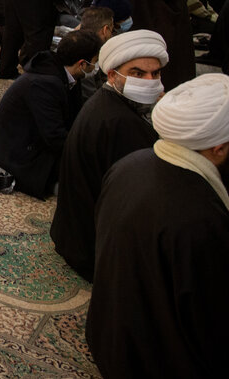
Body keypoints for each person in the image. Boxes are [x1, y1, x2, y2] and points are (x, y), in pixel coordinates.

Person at [86, 74, 229, 378]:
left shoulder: (132, 162)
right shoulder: (201, 218)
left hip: (108, 335)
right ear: (218, 148)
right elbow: (209, 322)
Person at [50, 29, 167, 282]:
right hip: (95, 252)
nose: (149, 80)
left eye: (155, 73)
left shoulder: (106, 102)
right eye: (138, 73)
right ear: (113, 74)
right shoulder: (121, 124)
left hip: (72, 235)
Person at [0, 30, 102, 198]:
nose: (96, 67)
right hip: (17, 156)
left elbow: (72, 118)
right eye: (95, 62)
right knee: (89, 170)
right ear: (82, 64)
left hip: (31, 140)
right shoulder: (44, 84)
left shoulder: (63, 74)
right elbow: (54, 137)